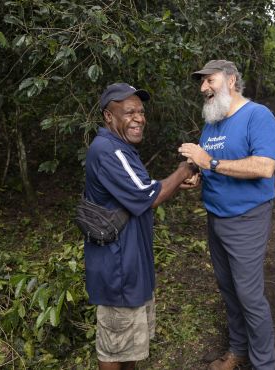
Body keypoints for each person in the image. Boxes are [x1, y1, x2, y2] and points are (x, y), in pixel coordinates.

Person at [84, 82, 199, 370]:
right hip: (118, 267)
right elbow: (150, 196)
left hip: (131, 263)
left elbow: (144, 187)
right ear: (108, 117)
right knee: (113, 347)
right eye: (128, 112)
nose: (138, 118)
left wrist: (174, 182)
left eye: (141, 111)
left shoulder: (121, 147)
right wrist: (186, 168)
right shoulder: (110, 151)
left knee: (129, 342)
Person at [178, 60, 275, 370]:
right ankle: (237, 351)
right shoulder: (213, 122)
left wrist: (208, 163)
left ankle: (265, 365)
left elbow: (264, 167)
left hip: (247, 218)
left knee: (249, 296)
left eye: (209, 80)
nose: (203, 88)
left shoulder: (257, 116)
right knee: (228, 289)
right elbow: (213, 162)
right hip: (216, 218)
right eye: (202, 82)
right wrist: (197, 174)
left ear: (231, 80)